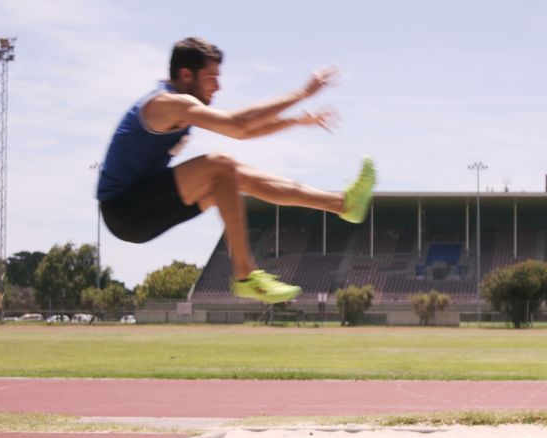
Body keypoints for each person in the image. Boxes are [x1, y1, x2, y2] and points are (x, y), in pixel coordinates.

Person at [96, 37, 374, 304]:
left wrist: (296, 122)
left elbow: (243, 132)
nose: (218, 87)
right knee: (220, 165)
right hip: (125, 209)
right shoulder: (166, 103)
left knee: (233, 175)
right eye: (211, 78)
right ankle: (244, 274)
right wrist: (302, 93)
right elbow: (237, 124)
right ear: (185, 74)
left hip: (143, 210)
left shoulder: (181, 105)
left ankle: (343, 204)